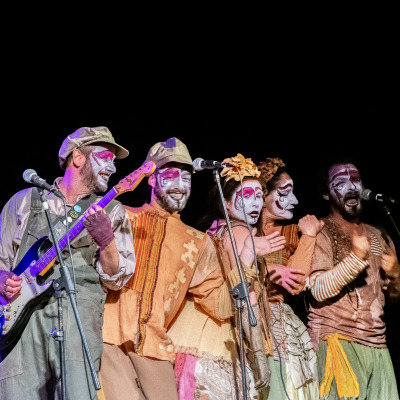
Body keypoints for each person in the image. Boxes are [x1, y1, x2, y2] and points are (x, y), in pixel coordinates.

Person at [99, 142, 285, 400]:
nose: (179, 185)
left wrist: (245, 258)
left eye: (186, 178)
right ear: (151, 178)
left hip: (155, 348)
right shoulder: (123, 216)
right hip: (109, 341)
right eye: (170, 176)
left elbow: (221, 306)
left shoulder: (197, 241)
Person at [0, 126, 136, 399]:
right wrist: (2, 278)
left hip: (77, 322)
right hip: (20, 324)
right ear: (77, 157)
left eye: (114, 161)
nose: (112, 167)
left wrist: (106, 241)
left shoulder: (112, 211)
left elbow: (116, 279)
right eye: (105, 157)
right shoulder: (24, 201)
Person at [168, 153, 287, 400]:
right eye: (246, 195)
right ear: (228, 204)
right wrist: (258, 355)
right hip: (212, 337)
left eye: (258, 196)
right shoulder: (241, 232)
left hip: (192, 332)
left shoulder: (222, 228)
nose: (255, 203)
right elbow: (245, 295)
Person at [307, 159, 400, 400]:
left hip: (378, 345)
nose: (351, 186)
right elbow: (317, 289)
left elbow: (392, 297)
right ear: (326, 194)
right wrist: (356, 258)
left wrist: (396, 276)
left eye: (356, 180)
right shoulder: (321, 230)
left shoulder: (379, 235)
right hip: (338, 340)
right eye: (340, 182)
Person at [255, 157, 323, 399]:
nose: (295, 201)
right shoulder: (236, 230)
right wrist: (266, 271)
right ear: (263, 196)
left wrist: (309, 236)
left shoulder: (291, 233)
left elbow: (296, 283)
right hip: (240, 316)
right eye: (285, 193)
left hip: (275, 320)